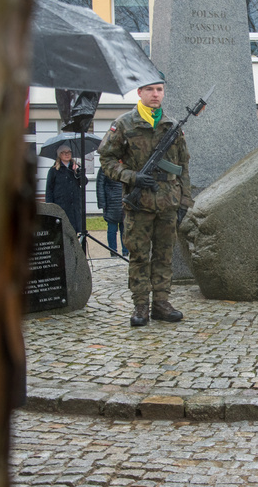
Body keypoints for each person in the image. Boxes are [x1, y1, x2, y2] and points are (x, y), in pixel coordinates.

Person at [98, 76, 193, 327]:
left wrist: (184, 202)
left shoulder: (172, 125)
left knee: (164, 256)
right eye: (149, 90)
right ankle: (141, 305)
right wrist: (131, 177)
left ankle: (161, 303)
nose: (155, 94)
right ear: (139, 92)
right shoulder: (124, 124)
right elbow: (106, 160)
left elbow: (183, 166)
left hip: (168, 203)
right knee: (139, 256)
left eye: (159, 90)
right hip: (139, 203)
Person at [45, 144, 85, 234]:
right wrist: (50, 206)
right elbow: (49, 189)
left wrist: (78, 172)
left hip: (74, 206)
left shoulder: (75, 167)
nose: (67, 154)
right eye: (64, 153)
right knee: (62, 231)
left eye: (69, 152)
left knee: (74, 231)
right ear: (60, 155)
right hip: (61, 204)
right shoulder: (54, 170)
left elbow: (84, 182)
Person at [96, 166, 128, 257]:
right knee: (112, 229)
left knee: (125, 229)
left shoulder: (127, 164)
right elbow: (100, 186)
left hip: (125, 201)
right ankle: (113, 251)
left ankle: (125, 251)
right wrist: (102, 204)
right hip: (111, 202)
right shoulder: (105, 167)